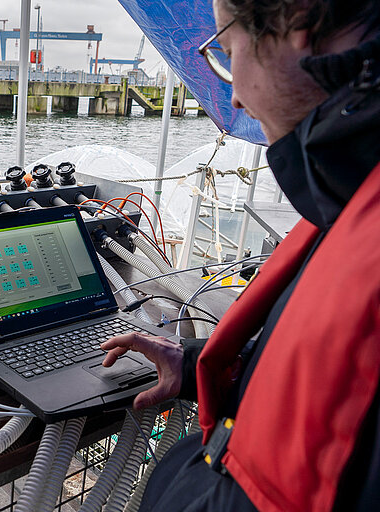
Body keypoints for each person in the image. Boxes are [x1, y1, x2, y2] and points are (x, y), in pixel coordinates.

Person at [100, 0, 380, 510]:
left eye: (227, 53)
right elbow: (325, 391)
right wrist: (191, 367)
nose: (233, 97)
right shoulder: (349, 197)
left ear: (296, 20)